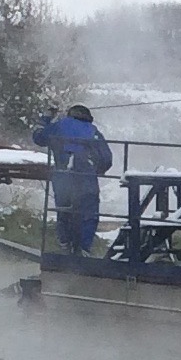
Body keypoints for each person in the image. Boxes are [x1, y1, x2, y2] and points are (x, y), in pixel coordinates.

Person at [31, 103, 113, 254]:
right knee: (89, 214)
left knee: (64, 211)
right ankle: (83, 249)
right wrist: (98, 170)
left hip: (63, 177)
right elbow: (107, 159)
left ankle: (65, 246)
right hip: (86, 178)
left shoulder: (59, 126)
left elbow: (38, 137)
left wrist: (46, 119)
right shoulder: (93, 131)